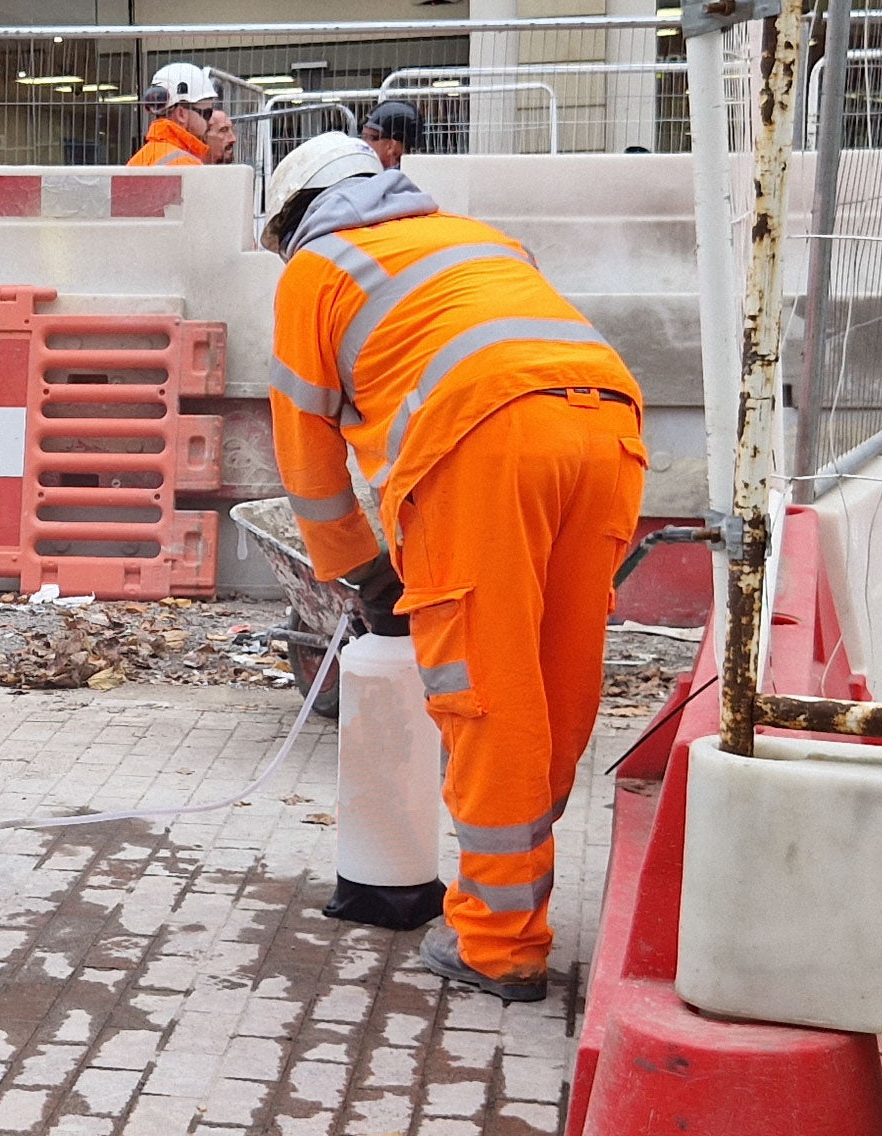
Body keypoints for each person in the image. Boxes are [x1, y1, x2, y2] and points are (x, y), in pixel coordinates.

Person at [261, 133, 645, 1002]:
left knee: (486, 689)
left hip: (487, 444)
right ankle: (505, 888)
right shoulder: (477, 236)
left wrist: (361, 569)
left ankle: (499, 944)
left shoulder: (315, 269)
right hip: (608, 429)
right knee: (556, 674)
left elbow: (307, 458)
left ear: (291, 218)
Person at [128, 62, 216, 168]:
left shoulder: (139, 159)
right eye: (207, 113)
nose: (211, 121)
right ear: (181, 114)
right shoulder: (186, 164)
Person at [360, 101, 422, 170]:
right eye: (363, 137)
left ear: (392, 146)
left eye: (370, 138)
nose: (362, 144)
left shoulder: (411, 178)